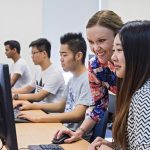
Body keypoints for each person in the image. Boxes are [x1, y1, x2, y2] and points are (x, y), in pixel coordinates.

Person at [54, 10, 123, 142]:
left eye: (101, 41)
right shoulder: (96, 66)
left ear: (119, 37)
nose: (96, 48)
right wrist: (80, 132)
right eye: (91, 42)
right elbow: (99, 106)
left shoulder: (134, 63)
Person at [17, 33, 92, 139]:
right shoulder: (72, 79)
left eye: (65, 55)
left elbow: (77, 115)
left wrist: (40, 118)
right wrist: (33, 106)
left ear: (78, 56)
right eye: (60, 55)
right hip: (63, 130)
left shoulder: (88, 80)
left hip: (75, 136)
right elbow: (60, 106)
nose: (61, 59)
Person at [90, 20, 150, 150]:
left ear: (139, 54)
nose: (113, 57)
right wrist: (115, 146)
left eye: (119, 50)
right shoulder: (137, 89)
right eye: (113, 50)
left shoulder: (145, 96)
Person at [13, 38, 65, 105]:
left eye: (34, 53)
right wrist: (12, 92)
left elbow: (39, 97)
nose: (32, 56)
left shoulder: (55, 73)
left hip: (48, 113)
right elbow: (28, 88)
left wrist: (15, 96)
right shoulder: (38, 70)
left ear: (44, 54)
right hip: (37, 108)